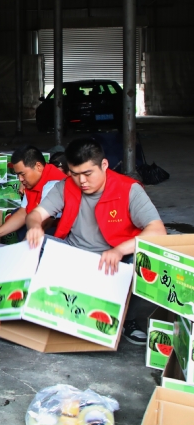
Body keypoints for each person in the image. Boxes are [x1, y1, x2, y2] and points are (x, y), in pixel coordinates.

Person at [26, 138, 166, 345]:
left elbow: (158, 230)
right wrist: (35, 226)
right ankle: (46, 307)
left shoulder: (128, 189)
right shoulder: (65, 186)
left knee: (146, 258)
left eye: (88, 173)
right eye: (75, 174)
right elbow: (35, 214)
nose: (81, 181)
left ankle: (127, 319)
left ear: (104, 165)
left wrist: (120, 250)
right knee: (33, 243)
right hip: (75, 254)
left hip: (114, 260)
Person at [0, 145, 67, 243]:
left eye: (23, 174)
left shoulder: (55, 184)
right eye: (18, 175)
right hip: (36, 223)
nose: (20, 179)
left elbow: (45, 223)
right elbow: (23, 212)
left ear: (38, 166)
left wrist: (22, 247)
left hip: (56, 230)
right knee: (17, 213)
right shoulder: (33, 182)